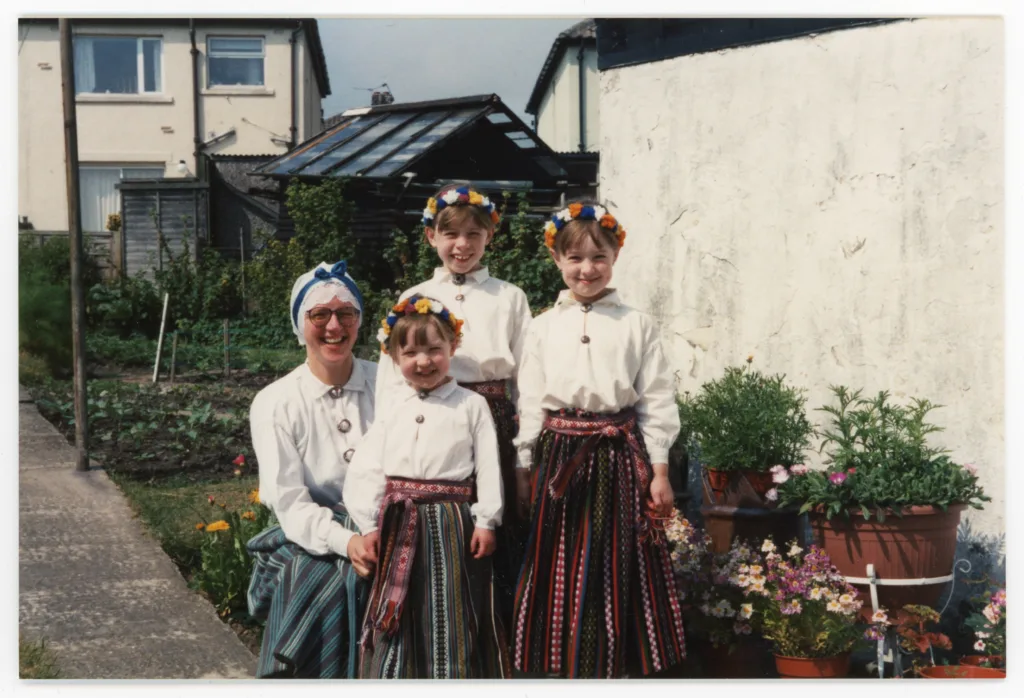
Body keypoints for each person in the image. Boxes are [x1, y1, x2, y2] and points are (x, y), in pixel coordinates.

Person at [510, 203, 687, 678]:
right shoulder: (543, 326)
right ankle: (558, 664)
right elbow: (530, 399)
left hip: (616, 455)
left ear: (615, 257)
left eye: (598, 257)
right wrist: (524, 464)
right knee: (560, 557)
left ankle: (614, 666)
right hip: (561, 456)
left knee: (614, 561)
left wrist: (661, 471)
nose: (586, 269)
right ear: (557, 260)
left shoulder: (636, 324)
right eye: (575, 258)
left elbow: (656, 398)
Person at [374, 184, 532, 629]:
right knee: (441, 526)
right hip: (433, 418)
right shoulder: (414, 296)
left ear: (489, 238)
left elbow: (526, 377)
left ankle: (493, 631)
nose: (462, 245)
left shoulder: (509, 296)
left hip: (494, 418)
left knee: (494, 525)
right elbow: (392, 374)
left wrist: (524, 452)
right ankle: (433, 619)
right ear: (431, 237)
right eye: (451, 234)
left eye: (473, 234)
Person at [346, 296, 511, 678]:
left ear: (452, 347)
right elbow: (368, 466)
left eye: (434, 350)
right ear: (393, 356)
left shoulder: (470, 405)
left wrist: (487, 520)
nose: (423, 361)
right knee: (400, 603)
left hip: (451, 522)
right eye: (411, 352)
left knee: (450, 604)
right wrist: (369, 523)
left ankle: (451, 675)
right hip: (398, 520)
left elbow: (488, 465)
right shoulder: (392, 406)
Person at [244, 261, 380, 678]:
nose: (334, 326)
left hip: (386, 521)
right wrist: (346, 540)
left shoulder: (389, 383)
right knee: (314, 577)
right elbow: (289, 502)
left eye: (346, 313)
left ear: (359, 320)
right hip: (312, 532)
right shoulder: (276, 402)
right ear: (300, 324)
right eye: (319, 315)